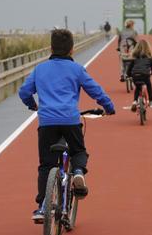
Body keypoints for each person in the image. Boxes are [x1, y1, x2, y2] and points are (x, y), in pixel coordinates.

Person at [19, 28, 115, 223]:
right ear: (72, 49)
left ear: (50, 48)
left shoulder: (40, 69)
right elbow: (95, 90)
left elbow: (24, 92)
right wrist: (108, 107)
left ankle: (43, 206)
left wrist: (33, 105)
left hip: (47, 122)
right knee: (78, 151)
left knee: (46, 164)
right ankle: (78, 172)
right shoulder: (77, 69)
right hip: (71, 120)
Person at [125, 39, 152, 110]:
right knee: (148, 85)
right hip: (145, 75)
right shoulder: (150, 58)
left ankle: (134, 101)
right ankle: (151, 100)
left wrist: (128, 75)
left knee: (137, 88)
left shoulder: (134, 58)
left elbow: (129, 69)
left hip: (135, 75)